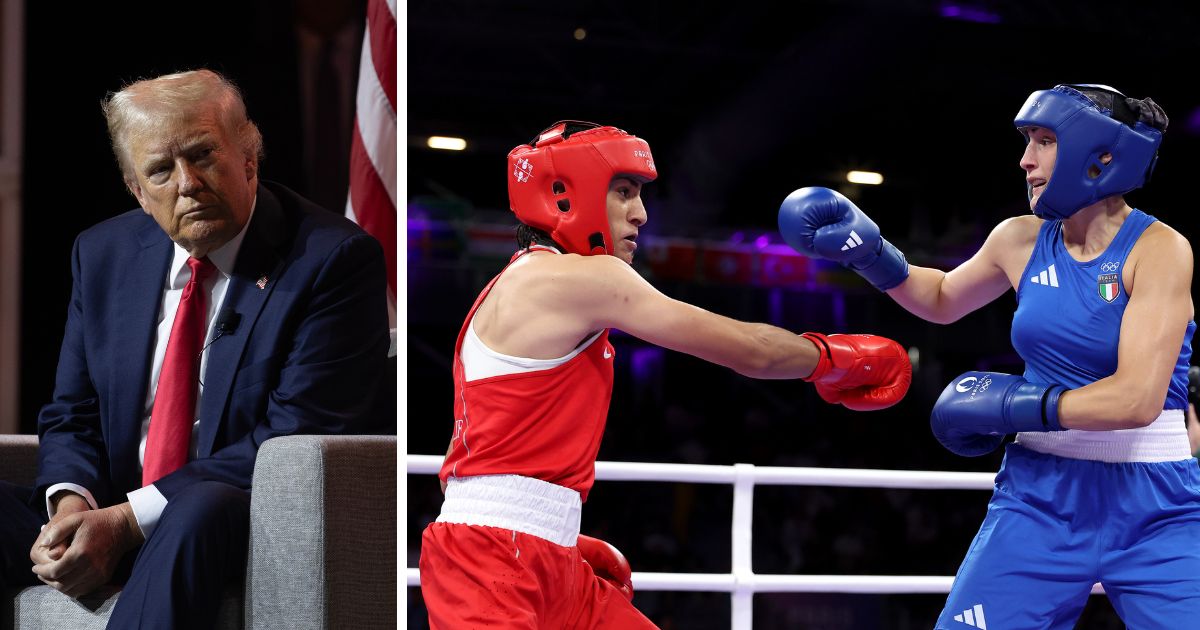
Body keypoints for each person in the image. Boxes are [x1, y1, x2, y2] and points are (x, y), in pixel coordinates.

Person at [418, 120, 914, 628]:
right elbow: (750, 351)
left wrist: (550, 526)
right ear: (566, 193)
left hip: (536, 553)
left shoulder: (515, 284)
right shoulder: (581, 279)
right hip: (491, 563)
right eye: (624, 192)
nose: (641, 213)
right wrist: (832, 359)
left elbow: (478, 459)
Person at [779, 84, 1197, 628]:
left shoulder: (1159, 249)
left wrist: (1013, 406)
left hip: (1155, 501)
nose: (1026, 160)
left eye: (1045, 141)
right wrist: (872, 253)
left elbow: (1137, 399)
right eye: (1028, 142)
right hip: (1041, 495)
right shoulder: (1019, 239)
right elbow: (941, 299)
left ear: (1100, 155)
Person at [0, 69, 390, 629]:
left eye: (204, 155)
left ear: (250, 157)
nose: (187, 182)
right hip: (109, 507)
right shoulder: (103, 253)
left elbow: (293, 432)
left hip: (230, 515)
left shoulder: (332, 261)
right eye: (160, 170)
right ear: (138, 191)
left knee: (198, 509)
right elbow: (73, 412)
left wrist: (129, 521)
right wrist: (74, 510)